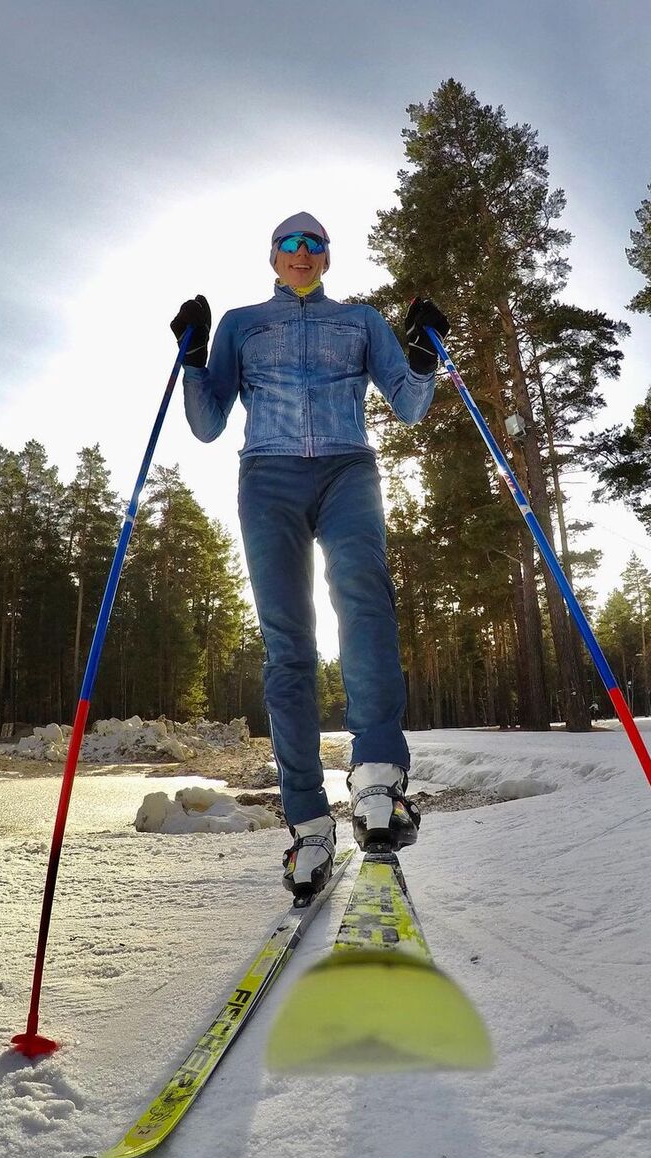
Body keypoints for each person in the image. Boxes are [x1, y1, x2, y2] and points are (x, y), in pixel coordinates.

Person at [171, 212, 449, 902]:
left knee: (364, 604)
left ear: (328, 256)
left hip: (347, 470)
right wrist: (194, 356)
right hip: (266, 477)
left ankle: (378, 777)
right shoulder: (241, 321)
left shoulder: (358, 321)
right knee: (287, 645)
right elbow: (207, 425)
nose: (301, 252)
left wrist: (424, 355)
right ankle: (308, 823)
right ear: (271, 255)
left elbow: (409, 406)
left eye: (314, 244)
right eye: (289, 244)